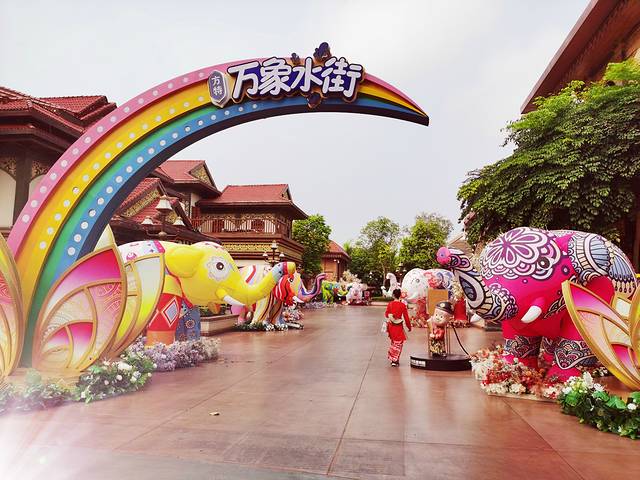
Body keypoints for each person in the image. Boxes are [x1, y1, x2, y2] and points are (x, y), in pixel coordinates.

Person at [384, 288, 412, 366]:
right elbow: (406, 318)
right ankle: (395, 360)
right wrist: (409, 327)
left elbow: (386, 314)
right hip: (398, 326)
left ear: (393, 295)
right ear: (400, 296)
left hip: (391, 326)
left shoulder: (390, 304)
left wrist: (391, 315)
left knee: (394, 342)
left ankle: (393, 358)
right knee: (398, 343)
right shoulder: (402, 305)